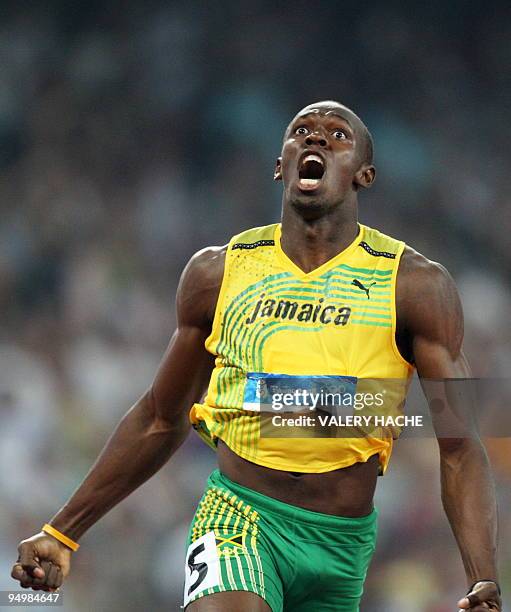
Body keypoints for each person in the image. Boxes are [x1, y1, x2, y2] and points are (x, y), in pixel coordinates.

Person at [11, 101, 501, 612]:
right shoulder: (218, 274)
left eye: (337, 135)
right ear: (279, 164)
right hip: (238, 517)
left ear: (364, 174)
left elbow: (460, 445)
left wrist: (482, 579)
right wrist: (62, 532)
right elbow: (161, 416)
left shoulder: (415, 285)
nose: (316, 139)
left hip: (342, 546)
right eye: (301, 132)